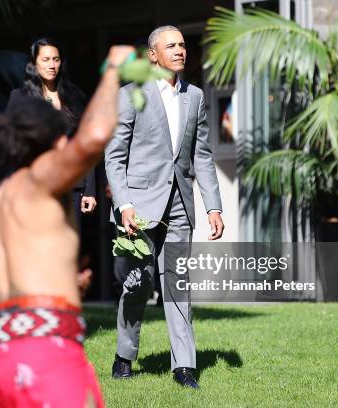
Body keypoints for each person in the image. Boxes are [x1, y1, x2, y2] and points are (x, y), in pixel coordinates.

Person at [0, 45, 134, 408]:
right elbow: (93, 137)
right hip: (42, 356)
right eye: (61, 137)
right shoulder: (41, 183)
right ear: (50, 141)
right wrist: (114, 70)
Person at [105, 26, 225, 388]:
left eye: (183, 45)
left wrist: (213, 207)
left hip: (179, 207)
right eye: (170, 45)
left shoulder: (196, 97)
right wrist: (123, 204)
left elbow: (201, 156)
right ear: (153, 56)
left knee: (178, 284)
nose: (179, 50)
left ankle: (184, 367)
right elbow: (113, 156)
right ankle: (124, 355)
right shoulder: (129, 96)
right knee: (137, 285)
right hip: (138, 208)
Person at [7, 38, 97, 228]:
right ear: (34, 63)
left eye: (56, 60)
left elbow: (85, 143)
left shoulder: (75, 96)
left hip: (71, 186)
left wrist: (90, 189)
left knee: (68, 248)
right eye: (46, 59)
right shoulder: (20, 97)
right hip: (33, 186)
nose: (52, 65)